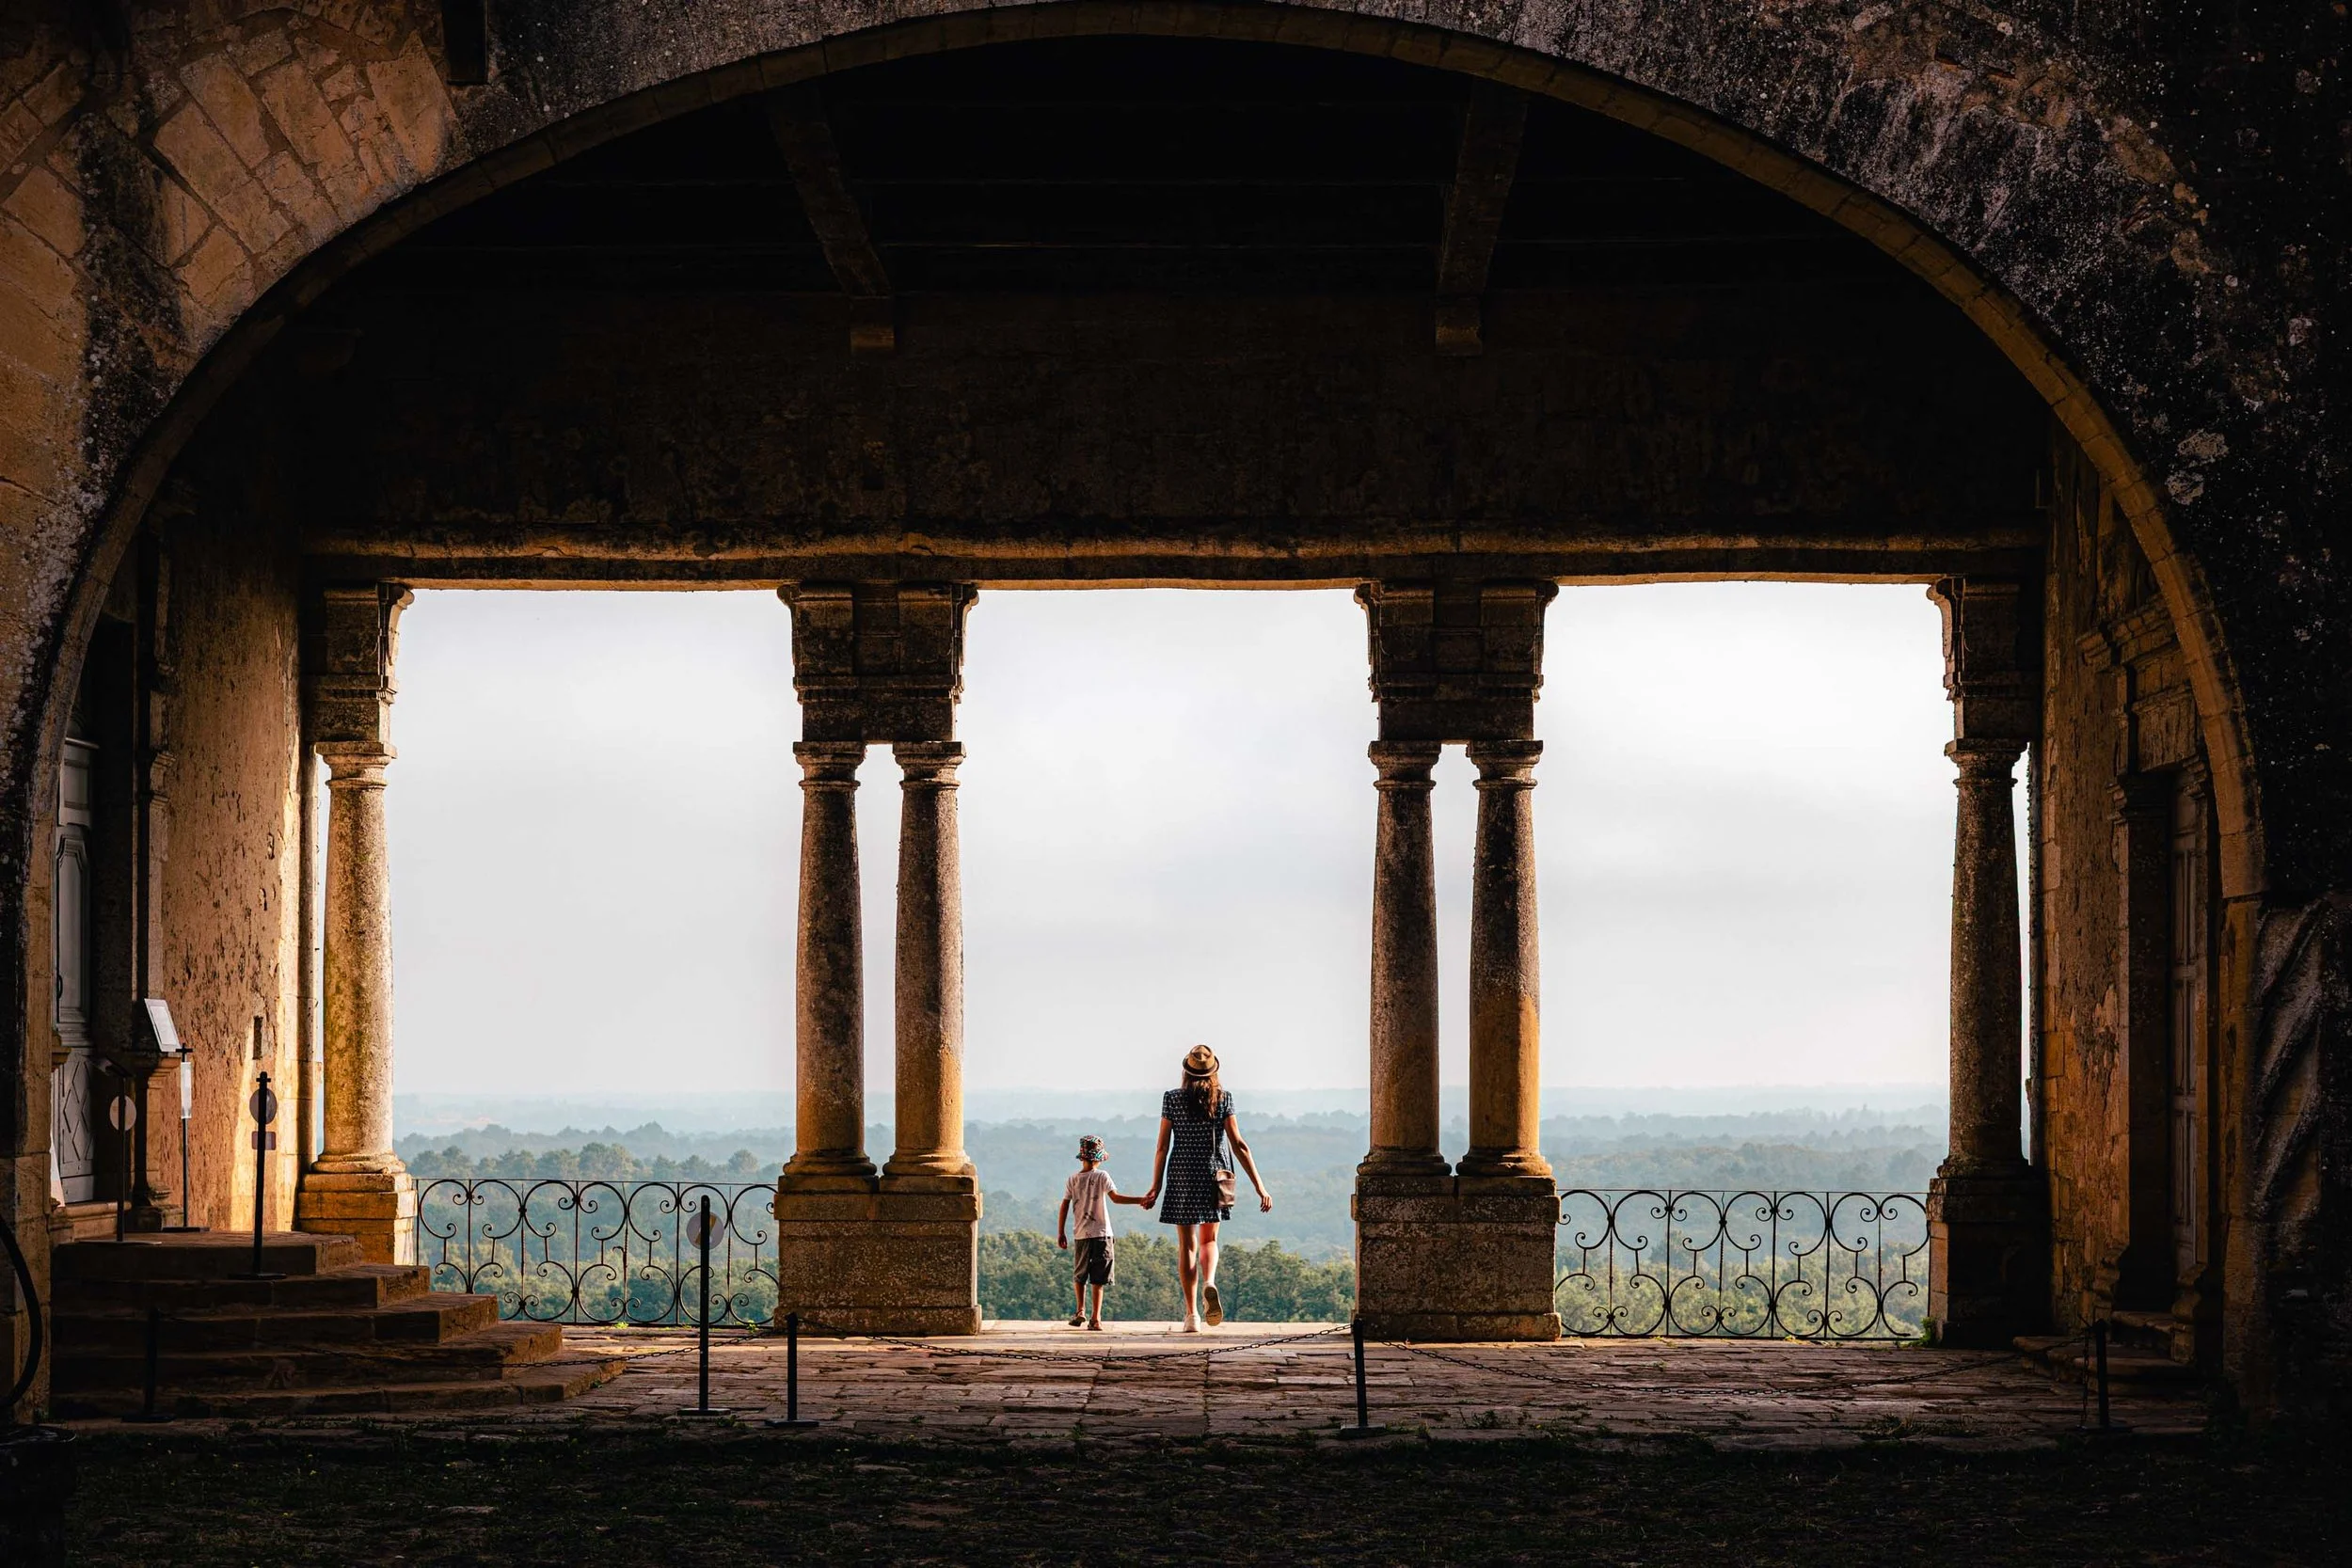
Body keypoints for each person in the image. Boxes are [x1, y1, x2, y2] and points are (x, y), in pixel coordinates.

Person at [1139, 1044, 1272, 1332]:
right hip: (1215, 1172)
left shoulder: (1172, 1099)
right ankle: (1209, 1281)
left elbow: (1162, 1146)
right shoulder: (1223, 1098)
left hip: (1183, 1172)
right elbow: (1239, 1145)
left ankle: (1191, 1316)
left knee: (1186, 1245)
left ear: (1186, 1071)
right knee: (1209, 1239)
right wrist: (1260, 1186)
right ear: (1214, 1071)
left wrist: (1156, 1186)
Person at [1056, 1133, 1149, 1329]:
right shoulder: (1102, 1176)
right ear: (1098, 1158)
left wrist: (1061, 1232)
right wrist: (1140, 1200)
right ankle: (1096, 1319)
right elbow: (1116, 1198)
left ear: (1082, 1157)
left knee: (1079, 1274)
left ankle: (1080, 1310)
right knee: (1098, 1278)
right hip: (1102, 1233)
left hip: (1081, 1234)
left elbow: (1064, 1206)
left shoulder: (1072, 1179)